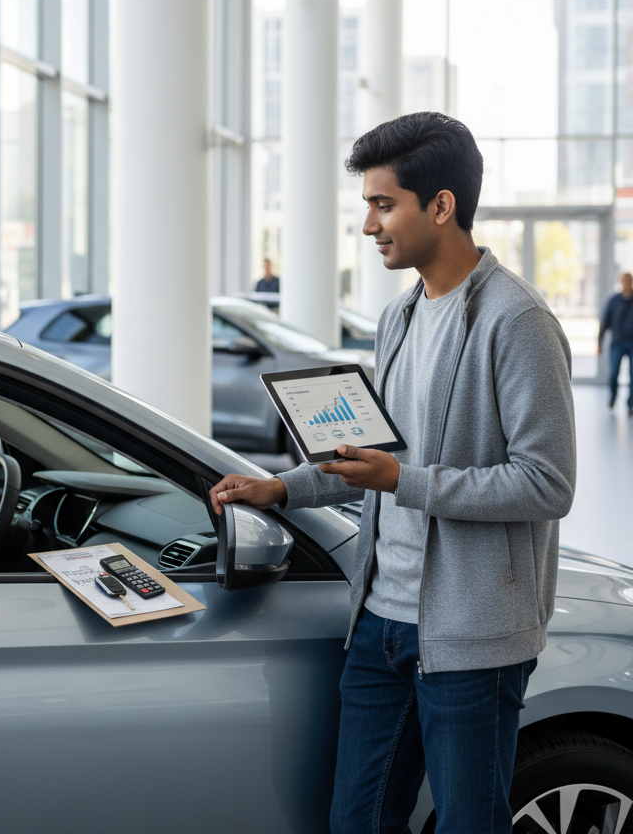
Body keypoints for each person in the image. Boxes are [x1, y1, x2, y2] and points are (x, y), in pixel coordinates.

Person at [209, 112, 575, 834]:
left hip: (472, 638)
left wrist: (403, 481)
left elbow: (547, 483)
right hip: (379, 621)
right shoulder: (401, 315)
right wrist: (282, 488)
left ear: (441, 205)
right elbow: (374, 457)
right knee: (360, 822)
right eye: (367, 204)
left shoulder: (517, 320)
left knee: (470, 824)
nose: (369, 224)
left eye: (384, 204)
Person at [599, 271, 633, 415]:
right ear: (621, 282)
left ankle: (631, 404)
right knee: (613, 373)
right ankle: (613, 398)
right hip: (617, 343)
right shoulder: (613, 301)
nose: (626, 283)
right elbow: (604, 322)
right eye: (624, 280)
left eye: (628, 280)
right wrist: (599, 342)